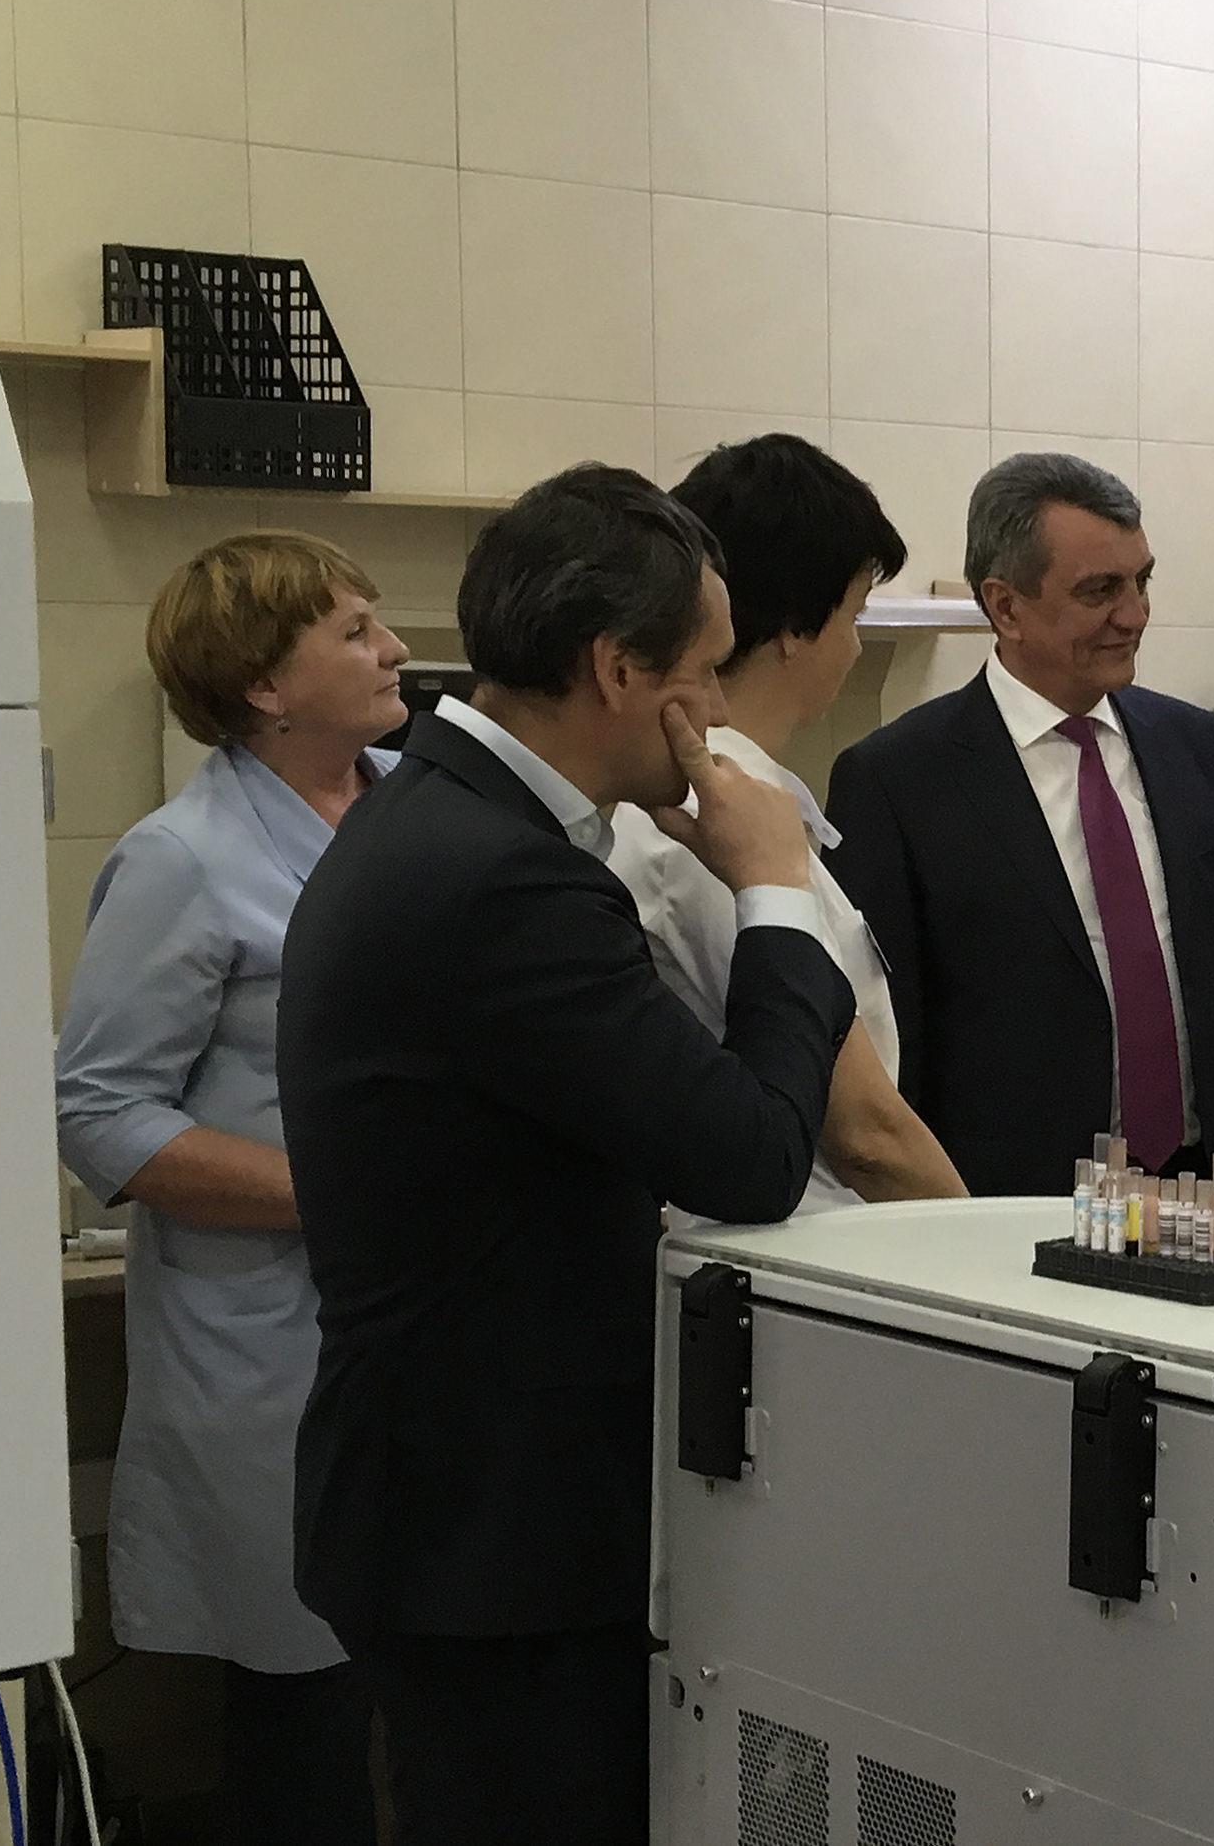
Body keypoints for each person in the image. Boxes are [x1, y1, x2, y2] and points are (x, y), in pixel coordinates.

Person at [280, 464, 854, 1844]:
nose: (717, 710)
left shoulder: (447, 816)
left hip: (465, 1512)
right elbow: (749, 1151)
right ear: (617, 667)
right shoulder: (502, 875)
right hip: (498, 1535)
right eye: (704, 670)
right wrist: (775, 887)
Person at [53, 531, 407, 1846]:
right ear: (264, 685)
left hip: (432, 1317)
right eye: (356, 630)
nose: (394, 648)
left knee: (437, 1680)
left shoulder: (419, 812)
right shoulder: (183, 858)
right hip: (272, 1340)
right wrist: (347, 1194)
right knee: (309, 1696)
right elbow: (99, 1111)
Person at [826, 452, 1214, 1214]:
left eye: (1141, 581)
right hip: (1010, 1213)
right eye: (1099, 590)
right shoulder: (896, 782)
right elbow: (891, 1058)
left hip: (1197, 1199)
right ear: (1005, 606)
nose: (1134, 615)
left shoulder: (1194, 749)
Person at [606, 434, 963, 1208]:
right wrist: (980, 1250)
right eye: (853, 613)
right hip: (782, 1237)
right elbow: (864, 1133)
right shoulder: (707, 811)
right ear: (797, 627)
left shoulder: (745, 794)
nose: (856, 644)